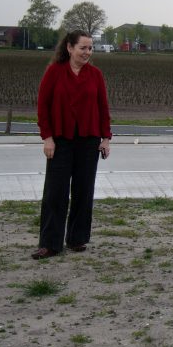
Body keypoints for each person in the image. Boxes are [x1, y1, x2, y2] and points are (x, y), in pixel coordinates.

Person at [32, 29, 112, 260]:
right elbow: (42, 107)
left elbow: (103, 108)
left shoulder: (95, 75)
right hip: (60, 141)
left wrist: (105, 138)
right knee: (55, 192)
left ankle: (77, 239)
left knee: (83, 191)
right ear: (69, 48)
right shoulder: (54, 73)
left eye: (90, 48)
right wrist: (47, 137)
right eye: (83, 48)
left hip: (88, 141)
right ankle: (50, 243)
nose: (87, 52)